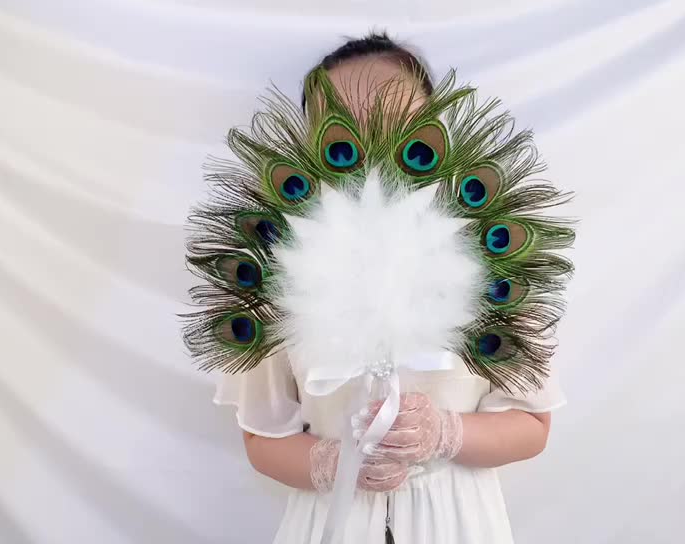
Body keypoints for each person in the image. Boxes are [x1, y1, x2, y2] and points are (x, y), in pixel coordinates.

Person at [214, 31, 566, 544]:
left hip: (458, 524)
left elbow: (532, 427)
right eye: (344, 128)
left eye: (391, 118)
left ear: (429, 128)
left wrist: (445, 433)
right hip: (330, 522)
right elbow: (261, 435)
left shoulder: (495, 255)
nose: (370, 141)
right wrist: (329, 464)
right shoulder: (272, 265)